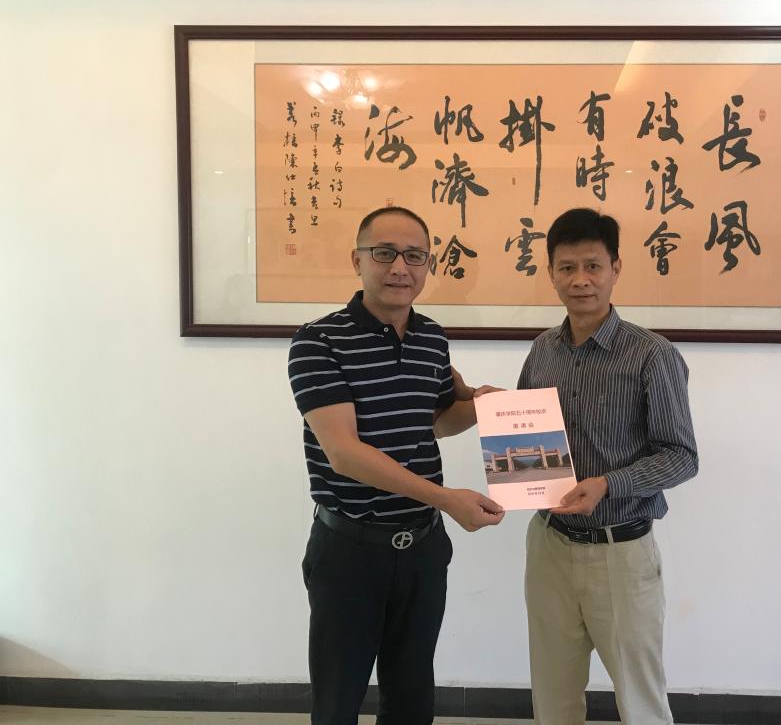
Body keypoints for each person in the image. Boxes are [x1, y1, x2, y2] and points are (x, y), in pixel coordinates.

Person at [288, 205, 504, 725]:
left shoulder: (431, 337)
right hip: (349, 552)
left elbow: (436, 422)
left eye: (414, 256)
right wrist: (446, 499)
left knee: (412, 701)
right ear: (357, 260)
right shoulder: (317, 341)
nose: (400, 268)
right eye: (384, 253)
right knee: (337, 703)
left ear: (428, 264)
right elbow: (344, 453)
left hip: (422, 550)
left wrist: (487, 408)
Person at [517, 207, 699, 725]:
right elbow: (526, 435)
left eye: (593, 266)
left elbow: (682, 457)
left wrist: (608, 484)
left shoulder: (652, 355)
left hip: (621, 553)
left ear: (616, 268)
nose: (580, 280)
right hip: (550, 545)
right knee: (552, 695)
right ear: (551, 273)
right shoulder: (542, 350)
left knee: (641, 702)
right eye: (567, 267)